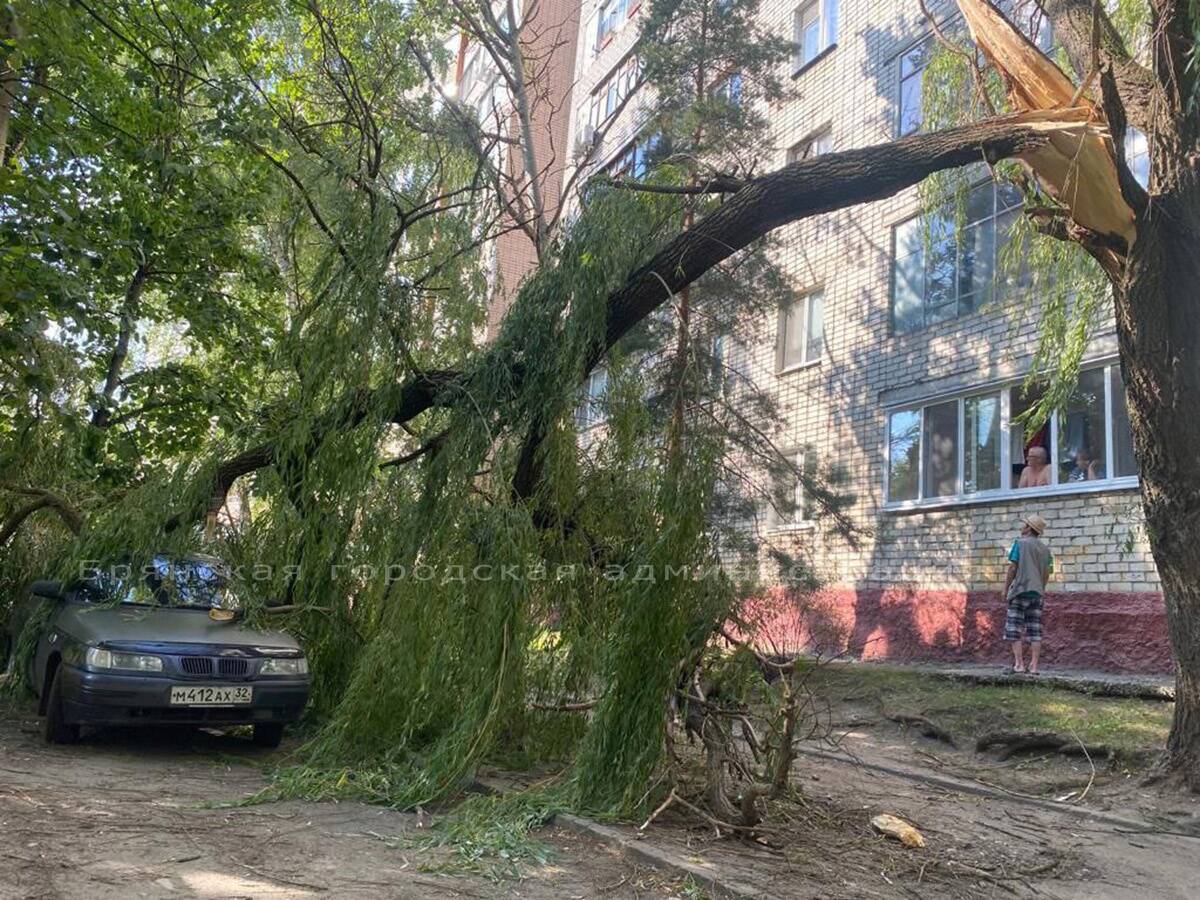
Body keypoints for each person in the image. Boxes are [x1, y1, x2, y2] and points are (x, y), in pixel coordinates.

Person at [1003, 514, 1053, 675]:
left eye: (1024, 525)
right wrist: (1041, 589)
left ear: (1029, 528)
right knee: (1034, 630)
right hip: (1037, 594)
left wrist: (1005, 589)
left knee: (1014, 628)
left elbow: (1012, 568)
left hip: (1019, 591)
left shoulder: (1019, 544)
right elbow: (1047, 573)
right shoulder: (1045, 550)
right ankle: (1034, 666)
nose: (1022, 527)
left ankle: (1019, 665)